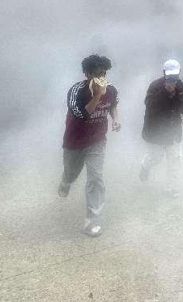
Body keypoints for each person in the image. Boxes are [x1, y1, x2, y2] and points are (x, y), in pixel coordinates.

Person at [58, 54, 121, 237]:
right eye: (96, 74)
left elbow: (112, 105)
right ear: (86, 73)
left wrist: (115, 119)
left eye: (103, 74)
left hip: (97, 141)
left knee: (95, 178)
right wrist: (98, 95)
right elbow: (82, 115)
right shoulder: (76, 91)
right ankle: (66, 181)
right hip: (75, 142)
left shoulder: (111, 90)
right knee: (71, 172)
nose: (101, 78)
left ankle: (92, 220)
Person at [139, 59, 183, 198]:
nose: (173, 78)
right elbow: (149, 105)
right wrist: (165, 92)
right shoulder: (155, 86)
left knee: (175, 159)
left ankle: (171, 188)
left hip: (173, 130)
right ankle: (145, 166)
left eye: (175, 75)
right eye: (170, 75)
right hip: (155, 131)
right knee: (156, 158)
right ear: (164, 73)